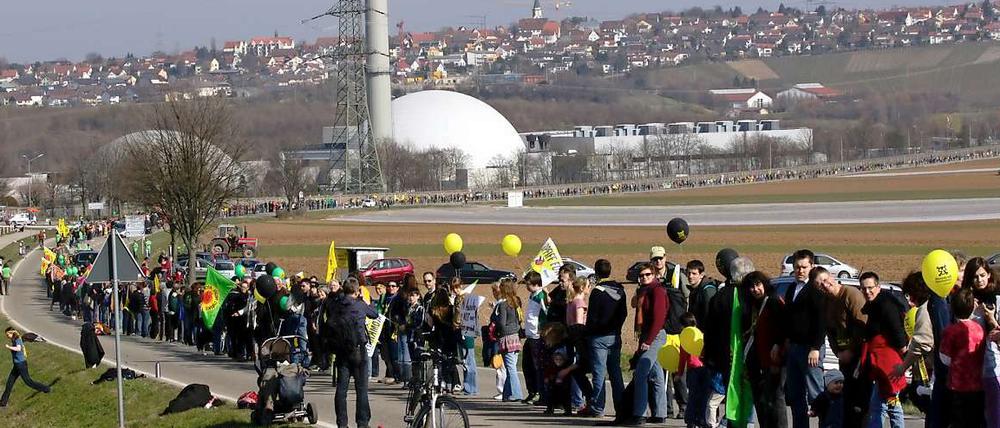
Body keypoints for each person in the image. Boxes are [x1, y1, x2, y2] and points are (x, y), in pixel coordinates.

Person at [816, 266, 869, 428]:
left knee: (860, 404)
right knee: (847, 401)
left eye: (825, 280)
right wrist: (838, 353)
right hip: (844, 357)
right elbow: (829, 331)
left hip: (860, 357)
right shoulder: (826, 302)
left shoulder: (851, 295)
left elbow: (863, 326)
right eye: (820, 285)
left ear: (831, 277)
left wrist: (852, 350)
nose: (825, 285)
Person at [324, 277, 377, 428]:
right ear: (356, 290)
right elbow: (374, 314)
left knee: (341, 389)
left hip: (341, 351)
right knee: (361, 390)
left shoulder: (337, 305)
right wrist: (366, 300)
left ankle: (342, 423)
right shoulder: (360, 305)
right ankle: (362, 422)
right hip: (358, 350)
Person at [783, 250, 827, 428]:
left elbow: (821, 321)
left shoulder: (816, 290)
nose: (800, 271)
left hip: (811, 349)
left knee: (816, 394)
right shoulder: (792, 288)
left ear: (812, 267)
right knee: (795, 395)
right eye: (797, 267)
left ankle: (826, 424)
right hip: (794, 348)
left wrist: (815, 347)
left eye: (804, 267)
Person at [859, 271, 907, 428]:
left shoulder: (886, 305)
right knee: (883, 403)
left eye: (870, 287)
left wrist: (903, 356)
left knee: (890, 404)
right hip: (881, 363)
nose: (867, 291)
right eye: (863, 288)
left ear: (878, 287)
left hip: (889, 363)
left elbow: (897, 331)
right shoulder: (875, 304)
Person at [624, 262, 668, 426]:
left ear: (655, 274)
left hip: (655, 336)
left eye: (648, 274)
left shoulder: (657, 291)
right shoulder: (644, 291)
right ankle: (660, 414)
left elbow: (658, 319)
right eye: (641, 275)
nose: (644, 277)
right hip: (646, 335)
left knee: (642, 372)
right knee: (656, 374)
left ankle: (639, 414)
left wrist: (648, 342)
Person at [743, 270, 788, 428]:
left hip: (774, 360)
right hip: (758, 360)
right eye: (751, 287)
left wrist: (777, 346)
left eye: (757, 285)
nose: (755, 289)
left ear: (764, 284)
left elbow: (783, 328)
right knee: (762, 400)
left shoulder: (774, 301)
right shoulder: (751, 306)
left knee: (776, 400)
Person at [586, 259, 627, 419]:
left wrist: (590, 332)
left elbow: (592, 317)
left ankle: (598, 407)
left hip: (598, 338)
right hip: (615, 335)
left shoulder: (597, 291)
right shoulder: (620, 290)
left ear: (596, 272)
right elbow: (623, 313)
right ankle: (621, 407)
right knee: (616, 373)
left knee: (599, 373)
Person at [939, 288, 986, 427]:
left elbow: (944, 358)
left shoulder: (951, 331)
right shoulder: (979, 329)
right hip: (977, 383)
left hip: (957, 385)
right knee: (975, 421)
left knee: (958, 421)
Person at [963, 257, 1000, 424]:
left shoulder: (996, 299)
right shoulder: (966, 301)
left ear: (989, 276)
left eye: (982, 275)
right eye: (975, 277)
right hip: (971, 366)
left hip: (993, 365)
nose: (979, 280)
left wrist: (991, 319)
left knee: (994, 414)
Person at [893, 272, 934, 409]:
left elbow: (920, 343)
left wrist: (903, 366)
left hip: (932, 368)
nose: (910, 301)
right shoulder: (936, 304)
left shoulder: (924, 310)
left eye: (911, 295)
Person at [491, 278, 524, 402]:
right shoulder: (516, 302)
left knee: (511, 368)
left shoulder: (504, 305)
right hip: (515, 337)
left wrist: (498, 330)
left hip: (506, 338)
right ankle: (507, 394)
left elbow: (501, 323)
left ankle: (517, 394)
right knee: (511, 366)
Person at [0, 327, 51, 407]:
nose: (7, 336)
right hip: (17, 365)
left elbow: (18, 348)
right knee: (9, 383)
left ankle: (46, 389)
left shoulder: (17, 339)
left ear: (11, 333)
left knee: (28, 382)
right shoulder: (14, 339)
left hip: (21, 365)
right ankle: (3, 403)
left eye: (7, 335)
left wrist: (9, 347)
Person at [522, 271, 548, 405]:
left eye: (529, 285)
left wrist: (541, 329)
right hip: (529, 334)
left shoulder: (541, 296)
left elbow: (545, 313)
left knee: (536, 365)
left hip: (537, 336)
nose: (527, 287)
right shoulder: (532, 296)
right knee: (527, 365)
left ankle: (539, 392)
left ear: (536, 284)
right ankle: (531, 390)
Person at [685, 260, 717, 331]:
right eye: (688, 273)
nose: (690, 276)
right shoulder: (694, 289)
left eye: (694, 273)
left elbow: (710, 316)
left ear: (701, 275)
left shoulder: (707, 291)